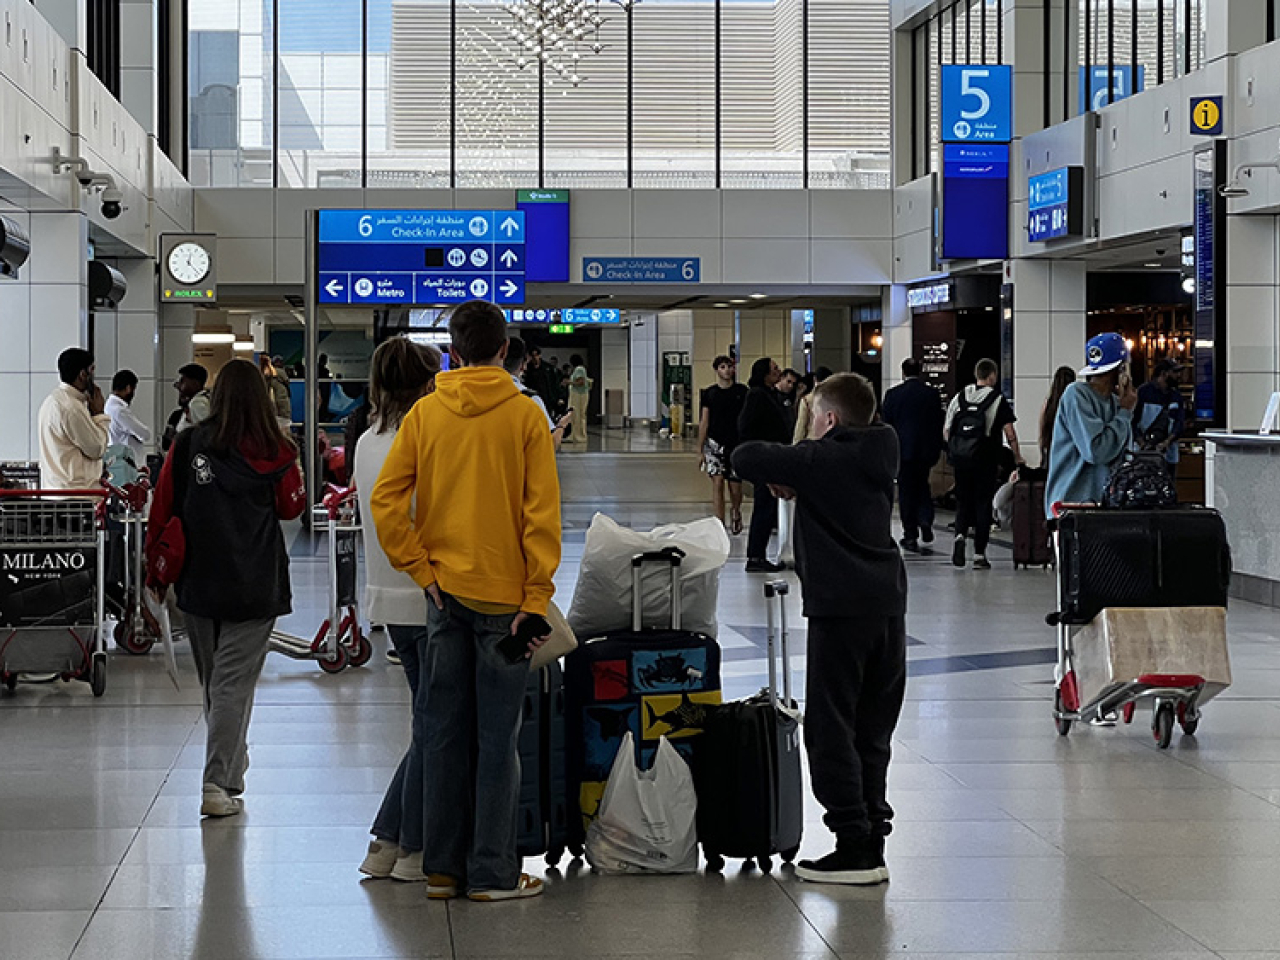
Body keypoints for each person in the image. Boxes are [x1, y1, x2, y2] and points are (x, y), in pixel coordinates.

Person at [371, 300, 561, 903]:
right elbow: (540, 518)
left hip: (444, 598)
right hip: (507, 604)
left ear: (453, 350)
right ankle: (492, 871)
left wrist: (420, 568)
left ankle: (442, 869)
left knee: (444, 732)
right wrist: (536, 594)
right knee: (498, 742)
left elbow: (385, 500)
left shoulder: (426, 414)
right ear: (505, 350)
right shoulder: (527, 417)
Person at [732, 373, 907, 886]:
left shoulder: (821, 458)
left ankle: (852, 843)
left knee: (831, 728)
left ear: (828, 419)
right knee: (873, 730)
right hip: (887, 604)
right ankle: (871, 837)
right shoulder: (882, 446)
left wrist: (795, 464)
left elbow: (745, 455)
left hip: (840, 608)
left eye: (811, 416)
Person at [146, 359, 305, 818]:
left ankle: (228, 770)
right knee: (232, 684)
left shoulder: (189, 442)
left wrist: (155, 572)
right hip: (256, 581)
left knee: (218, 684)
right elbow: (291, 508)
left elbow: (164, 505)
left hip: (198, 579)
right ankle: (219, 780)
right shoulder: (277, 450)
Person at [355, 338, 442, 883]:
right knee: (438, 726)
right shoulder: (423, 437)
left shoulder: (368, 439)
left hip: (388, 597)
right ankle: (404, 844)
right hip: (428, 595)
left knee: (430, 721)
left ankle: (389, 845)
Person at [944, 359, 1022, 570]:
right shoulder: (996, 399)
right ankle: (979, 554)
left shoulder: (960, 397)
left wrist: (957, 450)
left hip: (961, 460)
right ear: (993, 376)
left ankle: (960, 535)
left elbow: (947, 431)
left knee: (963, 501)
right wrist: (1017, 457)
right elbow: (1010, 433)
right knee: (982, 504)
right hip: (985, 460)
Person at [1045, 332, 1136, 511]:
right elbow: (1096, 451)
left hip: (1103, 504)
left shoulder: (1115, 403)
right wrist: (1125, 413)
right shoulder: (1076, 395)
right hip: (1072, 504)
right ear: (1121, 369)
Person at [881, 358, 945, 554]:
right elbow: (938, 422)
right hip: (925, 451)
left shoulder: (893, 395)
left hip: (902, 451)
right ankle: (925, 519)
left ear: (903, 372)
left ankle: (910, 534)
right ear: (921, 371)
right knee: (922, 485)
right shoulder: (931, 394)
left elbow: (887, 425)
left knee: (906, 490)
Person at [737, 357, 790, 572]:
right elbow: (747, 426)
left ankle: (758, 554)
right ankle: (756, 556)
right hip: (764, 458)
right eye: (774, 369)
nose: (778, 371)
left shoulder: (769, 394)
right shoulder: (758, 395)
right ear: (765, 374)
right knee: (764, 507)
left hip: (771, 456)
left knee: (768, 507)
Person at [38, 348, 110, 490]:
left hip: (57, 490)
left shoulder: (53, 400)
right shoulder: (71, 407)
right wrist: (100, 415)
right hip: (75, 496)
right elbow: (96, 448)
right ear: (83, 374)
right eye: (92, 370)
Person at [696, 355, 748, 534]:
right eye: (723, 367)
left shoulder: (742, 391)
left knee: (735, 486)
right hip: (714, 444)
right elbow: (704, 421)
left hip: (736, 443)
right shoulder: (710, 394)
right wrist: (700, 448)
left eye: (729, 366)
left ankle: (736, 510)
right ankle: (719, 524)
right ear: (717, 370)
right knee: (717, 483)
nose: (727, 370)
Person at [505, 337, 572, 450]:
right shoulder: (530, 399)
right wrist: (562, 425)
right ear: (523, 365)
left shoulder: (476, 393)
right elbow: (551, 443)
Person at [1134, 358, 1186, 475]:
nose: (1179, 376)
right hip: (1143, 452)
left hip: (1168, 453)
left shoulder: (1176, 395)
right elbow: (1133, 420)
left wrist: (1167, 442)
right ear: (1164, 374)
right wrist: (1141, 443)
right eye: (1175, 372)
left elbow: (1179, 422)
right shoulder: (1144, 392)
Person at [103, 369, 152, 466]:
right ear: (128, 388)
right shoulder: (119, 411)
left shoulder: (110, 406)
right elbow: (145, 434)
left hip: (118, 461)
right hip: (128, 464)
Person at [1038, 366, 1077, 467]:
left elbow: (1042, 430)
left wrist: (1042, 453)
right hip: (1070, 452)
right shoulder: (1074, 403)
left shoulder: (1049, 404)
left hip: (1051, 449)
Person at [792, 367, 833, 443]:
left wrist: (795, 446)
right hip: (829, 442)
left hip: (811, 442)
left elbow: (800, 427)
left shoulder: (806, 400)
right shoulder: (834, 399)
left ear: (815, 379)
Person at [171, 363, 212, 437]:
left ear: (195, 383)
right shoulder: (195, 403)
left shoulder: (198, 404)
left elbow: (206, 435)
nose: (178, 386)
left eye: (182, 381)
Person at [522, 345, 561, 414]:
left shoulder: (548, 368)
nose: (535, 358)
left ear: (539, 355)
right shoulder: (527, 368)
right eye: (533, 355)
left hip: (547, 398)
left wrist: (557, 398)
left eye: (536, 355)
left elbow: (554, 383)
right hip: (533, 397)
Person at [565, 354, 593, 445]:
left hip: (578, 395)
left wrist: (569, 382)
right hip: (580, 395)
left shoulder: (579, 369)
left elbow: (581, 382)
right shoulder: (581, 369)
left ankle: (578, 436)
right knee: (578, 415)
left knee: (577, 415)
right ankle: (576, 435)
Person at [259, 354, 293, 428]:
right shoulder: (281, 373)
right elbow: (286, 381)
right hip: (281, 400)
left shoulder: (266, 374)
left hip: (272, 401)